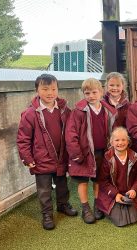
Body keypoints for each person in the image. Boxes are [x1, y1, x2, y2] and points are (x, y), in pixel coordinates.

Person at [17, 74, 78, 230]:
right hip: (41, 159)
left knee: (62, 184)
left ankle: (63, 205)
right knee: (44, 189)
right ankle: (47, 214)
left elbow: (73, 130)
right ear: (37, 90)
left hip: (61, 157)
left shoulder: (64, 110)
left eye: (53, 89)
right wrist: (27, 157)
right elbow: (23, 139)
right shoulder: (30, 114)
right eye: (45, 89)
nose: (50, 92)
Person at [65, 78, 114, 224]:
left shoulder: (107, 111)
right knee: (83, 180)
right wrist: (76, 154)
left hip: (101, 153)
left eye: (94, 92)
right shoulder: (78, 112)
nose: (91, 95)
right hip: (84, 154)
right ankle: (86, 208)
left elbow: (111, 132)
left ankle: (97, 205)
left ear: (101, 92)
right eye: (87, 93)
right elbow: (70, 134)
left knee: (98, 180)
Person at [96, 127, 137, 227]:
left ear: (128, 141)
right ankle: (105, 206)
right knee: (120, 220)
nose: (120, 143)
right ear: (111, 142)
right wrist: (115, 194)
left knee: (133, 217)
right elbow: (103, 181)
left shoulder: (135, 156)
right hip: (113, 194)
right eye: (117, 140)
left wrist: (134, 190)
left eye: (123, 139)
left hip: (129, 193)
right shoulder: (107, 157)